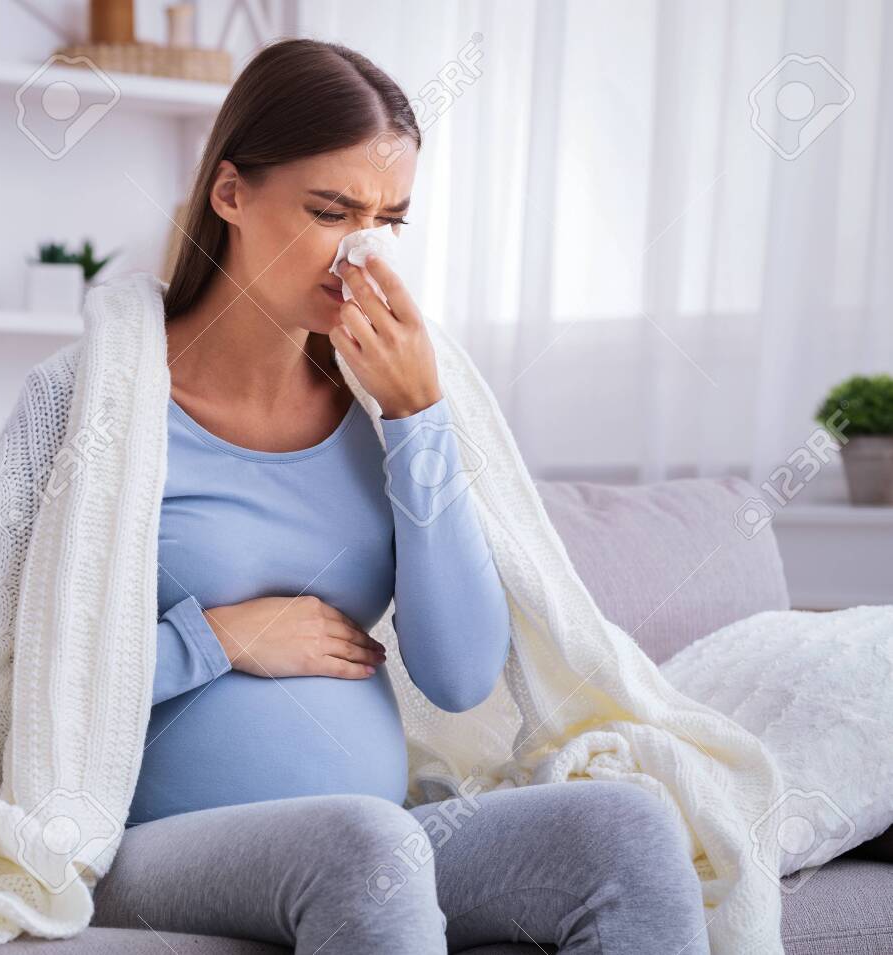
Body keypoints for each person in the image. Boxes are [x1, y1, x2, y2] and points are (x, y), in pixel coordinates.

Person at [74, 38, 711, 954]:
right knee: (368, 843)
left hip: (379, 847)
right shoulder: (97, 404)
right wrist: (216, 638)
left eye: (388, 219)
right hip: (153, 849)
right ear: (231, 194)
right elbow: (27, 675)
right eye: (331, 211)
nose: (360, 251)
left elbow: (457, 675)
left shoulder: (379, 412)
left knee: (627, 826)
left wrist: (419, 417)